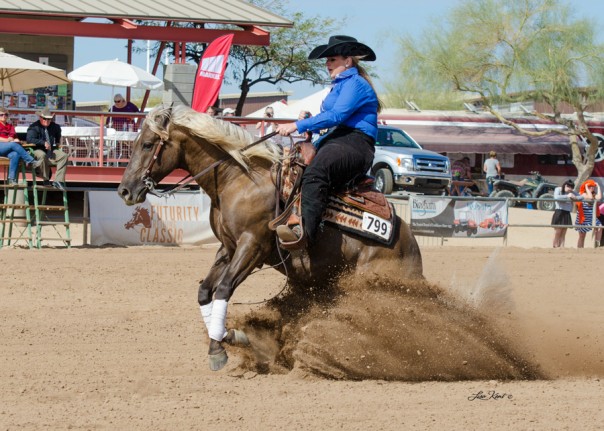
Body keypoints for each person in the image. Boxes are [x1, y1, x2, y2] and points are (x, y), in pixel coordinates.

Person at [274, 35, 380, 247]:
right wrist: (310, 120)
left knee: (315, 173)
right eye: (327, 60)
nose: (327, 64)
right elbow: (333, 117)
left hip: (355, 144)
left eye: (332, 59)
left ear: (347, 61)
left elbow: (337, 116)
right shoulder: (341, 85)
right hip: (338, 140)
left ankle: (305, 236)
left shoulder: (355, 84)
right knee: (292, 167)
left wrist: (298, 125)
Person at [26, 108, 69, 190]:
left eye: (49, 119)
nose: (47, 120)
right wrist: (43, 142)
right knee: (42, 154)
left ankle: (58, 181)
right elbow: (29, 139)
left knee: (64, 155)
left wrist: (56, 144)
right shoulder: (34, 127)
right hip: (37, 149)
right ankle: (46, 179)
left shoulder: (55, 127)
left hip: (51, 150)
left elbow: (57, 138)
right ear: (40, 118)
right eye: (45, 118)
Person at [0, 107, 43, 185]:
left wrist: (16, 139)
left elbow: (14, 136)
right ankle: (30, 160)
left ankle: (11, 179)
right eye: (1, 115)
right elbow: (8, 140)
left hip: (8, 148)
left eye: (6, 114)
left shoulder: (10, 126)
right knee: (13, 144)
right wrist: (8, 140)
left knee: (15, 154)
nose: (4, 116)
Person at [551, 179, 581, 248]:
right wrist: (567, 196)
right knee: (558, 231)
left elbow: (581, 197)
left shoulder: (572, 192)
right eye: (569, 187)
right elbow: (556, 197)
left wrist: (575, 197)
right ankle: (554, 246)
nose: (570, 189)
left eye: (571, 187)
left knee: (564, 231)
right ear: (565, 185)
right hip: (559, 211)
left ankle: (562, 246)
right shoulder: (558, 189)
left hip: (567, 213)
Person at [574, 179, 602, 248]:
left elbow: (599, 197)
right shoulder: (582, 194)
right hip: (583, 218)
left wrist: (598, 187)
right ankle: (580, 250)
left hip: (591, 217)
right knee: (582, 236)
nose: (592, 188)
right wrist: (586, 187)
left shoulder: (593, 195)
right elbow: (589, 198)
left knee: (599, 227)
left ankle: (597, 243)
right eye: (590, 186)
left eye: (593, 186)